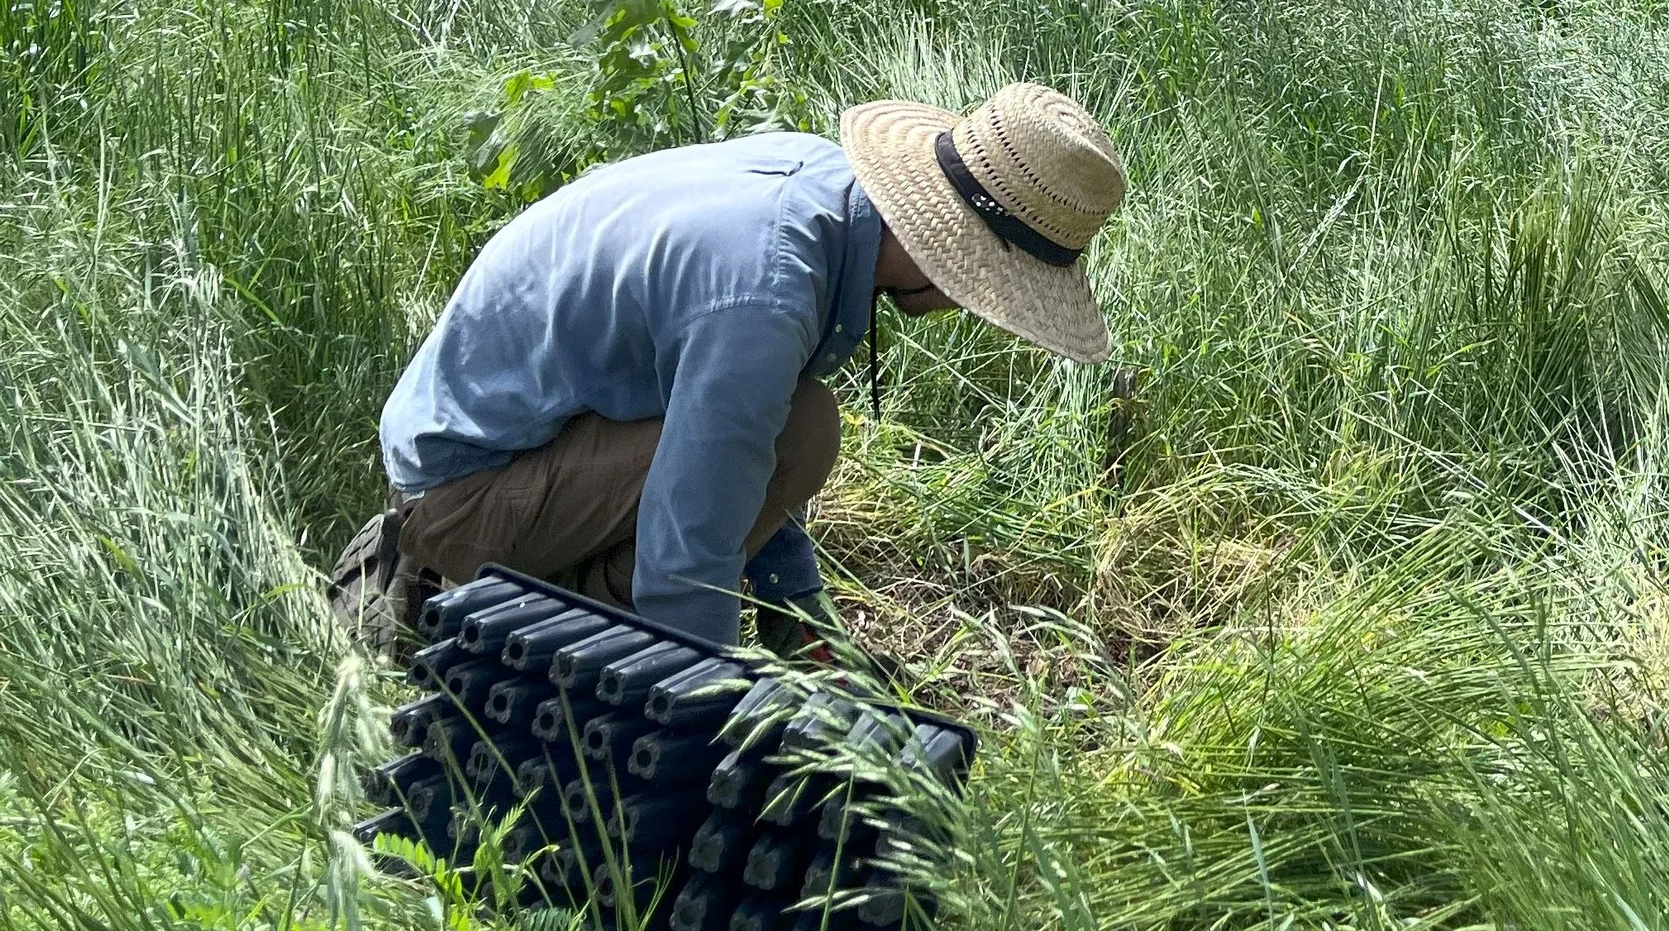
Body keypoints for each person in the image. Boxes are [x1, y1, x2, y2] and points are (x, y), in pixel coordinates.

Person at [334, 81, 1124, 656]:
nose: (978, 310)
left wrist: (798, 616)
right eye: (989, 291)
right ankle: (477, 611)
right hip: (463, 493)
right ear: (947, 258)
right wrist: (698, 706)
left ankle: (543, 587)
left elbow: (739, 445)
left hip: (527, 440)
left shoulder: (819, 189)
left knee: (796, 421)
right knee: (801, 434)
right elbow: (690, 547)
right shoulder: (768, 291)